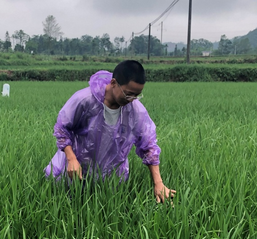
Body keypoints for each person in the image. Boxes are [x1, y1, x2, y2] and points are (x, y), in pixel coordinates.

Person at [44, 60, 175, 203]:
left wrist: (158, 183)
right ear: (113, 83)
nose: (132, 100)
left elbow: (149, 145)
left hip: (110, 182)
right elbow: (62, 128)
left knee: (104, 210)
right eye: (129, 94)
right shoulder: (84, 100)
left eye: (137, 95)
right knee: (70, 206)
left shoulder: (135, 111)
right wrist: (71, 159)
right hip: (76, 171)